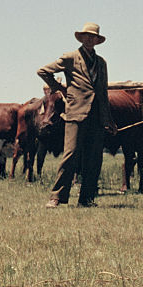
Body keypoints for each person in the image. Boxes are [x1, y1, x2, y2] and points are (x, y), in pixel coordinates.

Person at [37, 22, 115, 208]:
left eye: (93, 36)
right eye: (86, 36)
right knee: (70, 155)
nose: (90, 39)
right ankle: (56, 197)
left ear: (97, 40)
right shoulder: (71, 58)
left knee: (94, 158)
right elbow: (43, 71)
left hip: (96, 117)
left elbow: (102, 93)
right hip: (75, 114)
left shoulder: (102, 63)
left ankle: (86, 199)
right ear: (81, 38)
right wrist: (61, 89)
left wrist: (109, 120)